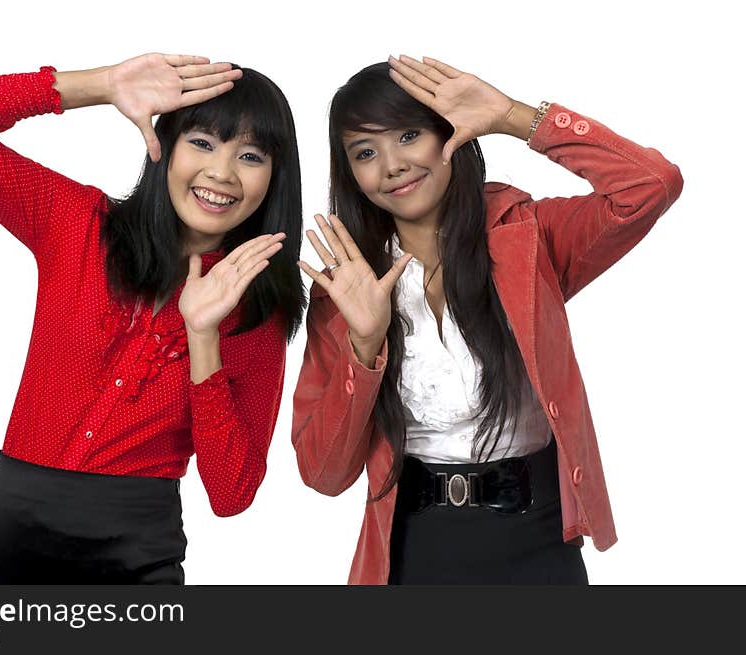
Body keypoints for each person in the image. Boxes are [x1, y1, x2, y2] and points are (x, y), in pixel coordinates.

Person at [0, 52, 305, 584]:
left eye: (251, 156)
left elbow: (232, 494)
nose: (221, 172)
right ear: (164, 146)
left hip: (134, 556)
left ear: (274, 178)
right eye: (203, 143)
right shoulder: (78, 224)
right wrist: (100, 85)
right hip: (6, 540)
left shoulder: (257, 314)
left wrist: (203, 335)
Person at [292, 55, 683, 584]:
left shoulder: (528, 238)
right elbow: (324, 474)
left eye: (408, 135)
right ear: (352, 175)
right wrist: (364, 344)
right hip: (413, 547)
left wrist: (512, 116)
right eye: (366, 152)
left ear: (448, 134)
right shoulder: (346, 286)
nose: (391, 165)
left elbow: (650, 185)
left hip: (538, 536)